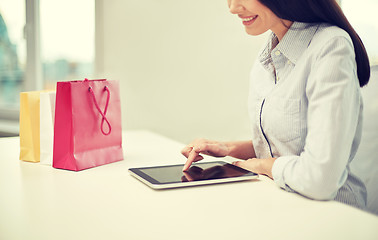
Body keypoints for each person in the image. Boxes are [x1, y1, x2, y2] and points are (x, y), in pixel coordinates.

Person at [181, 0, 370, 210]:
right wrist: (227, 148)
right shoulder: (270, 51)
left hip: (333, 213)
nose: (233, 8)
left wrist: (263, 166)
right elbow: (286, 145)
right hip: (281, 203)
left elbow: (320, 179)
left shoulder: (331, 46)